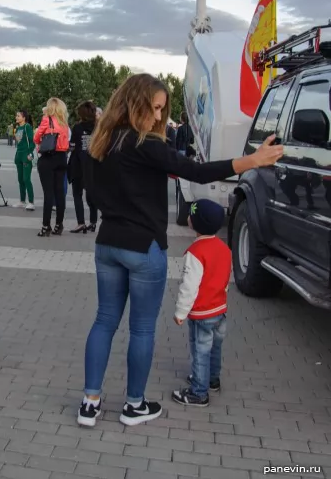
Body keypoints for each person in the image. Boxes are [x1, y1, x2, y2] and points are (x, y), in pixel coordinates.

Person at [77, 73, 283, 429]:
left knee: (104, 321)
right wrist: (252, 161)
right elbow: (197, 172)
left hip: (107, 244)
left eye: (161, 109)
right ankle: (133, 405)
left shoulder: (101, 141)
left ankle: (89, 404)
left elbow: (91, 196)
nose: (159, 117)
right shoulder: (146, 145)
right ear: (136, 102)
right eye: (155, 108)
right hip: (143, 249)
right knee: (142, 329)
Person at [172, 199, 231, 407]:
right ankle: (211, 380)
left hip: (202, 313)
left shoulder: (195, 253)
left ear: (195, 224)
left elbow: (189, 287)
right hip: (219, 309)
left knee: (200, 350)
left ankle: (198, 391)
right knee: (215, 347)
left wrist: (180, 311)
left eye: (191, 215)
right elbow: (225, 279)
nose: (188, 217)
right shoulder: (224, 249)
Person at [34, 98, 70, 236]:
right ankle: (59, 225)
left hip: (48, 158)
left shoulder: (47, 119)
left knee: (48, 193)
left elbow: (36, 138)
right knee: (60, 192)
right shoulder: (64, 123)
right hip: (62, 158)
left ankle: (46, 226)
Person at [68, 100, 98, 234]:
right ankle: (93, 222)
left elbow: (72, 147)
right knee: (91, 195)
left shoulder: (77, 128)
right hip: (94, 165)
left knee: (77, 194)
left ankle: (81, 223)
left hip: (78, 165)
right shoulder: (99, 128)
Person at [13, 110, 35, 211]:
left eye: (18, 116)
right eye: (16, 116)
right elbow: (18, 143)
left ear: (24, 117)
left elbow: (32, 142)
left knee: (26, 179)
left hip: (26, 156)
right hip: (19, 156)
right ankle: (22, 201)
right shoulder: (18, 128)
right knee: (20, 179)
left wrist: (29, 153)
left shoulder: (27, 127)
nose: (16, 117)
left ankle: (31, 202)